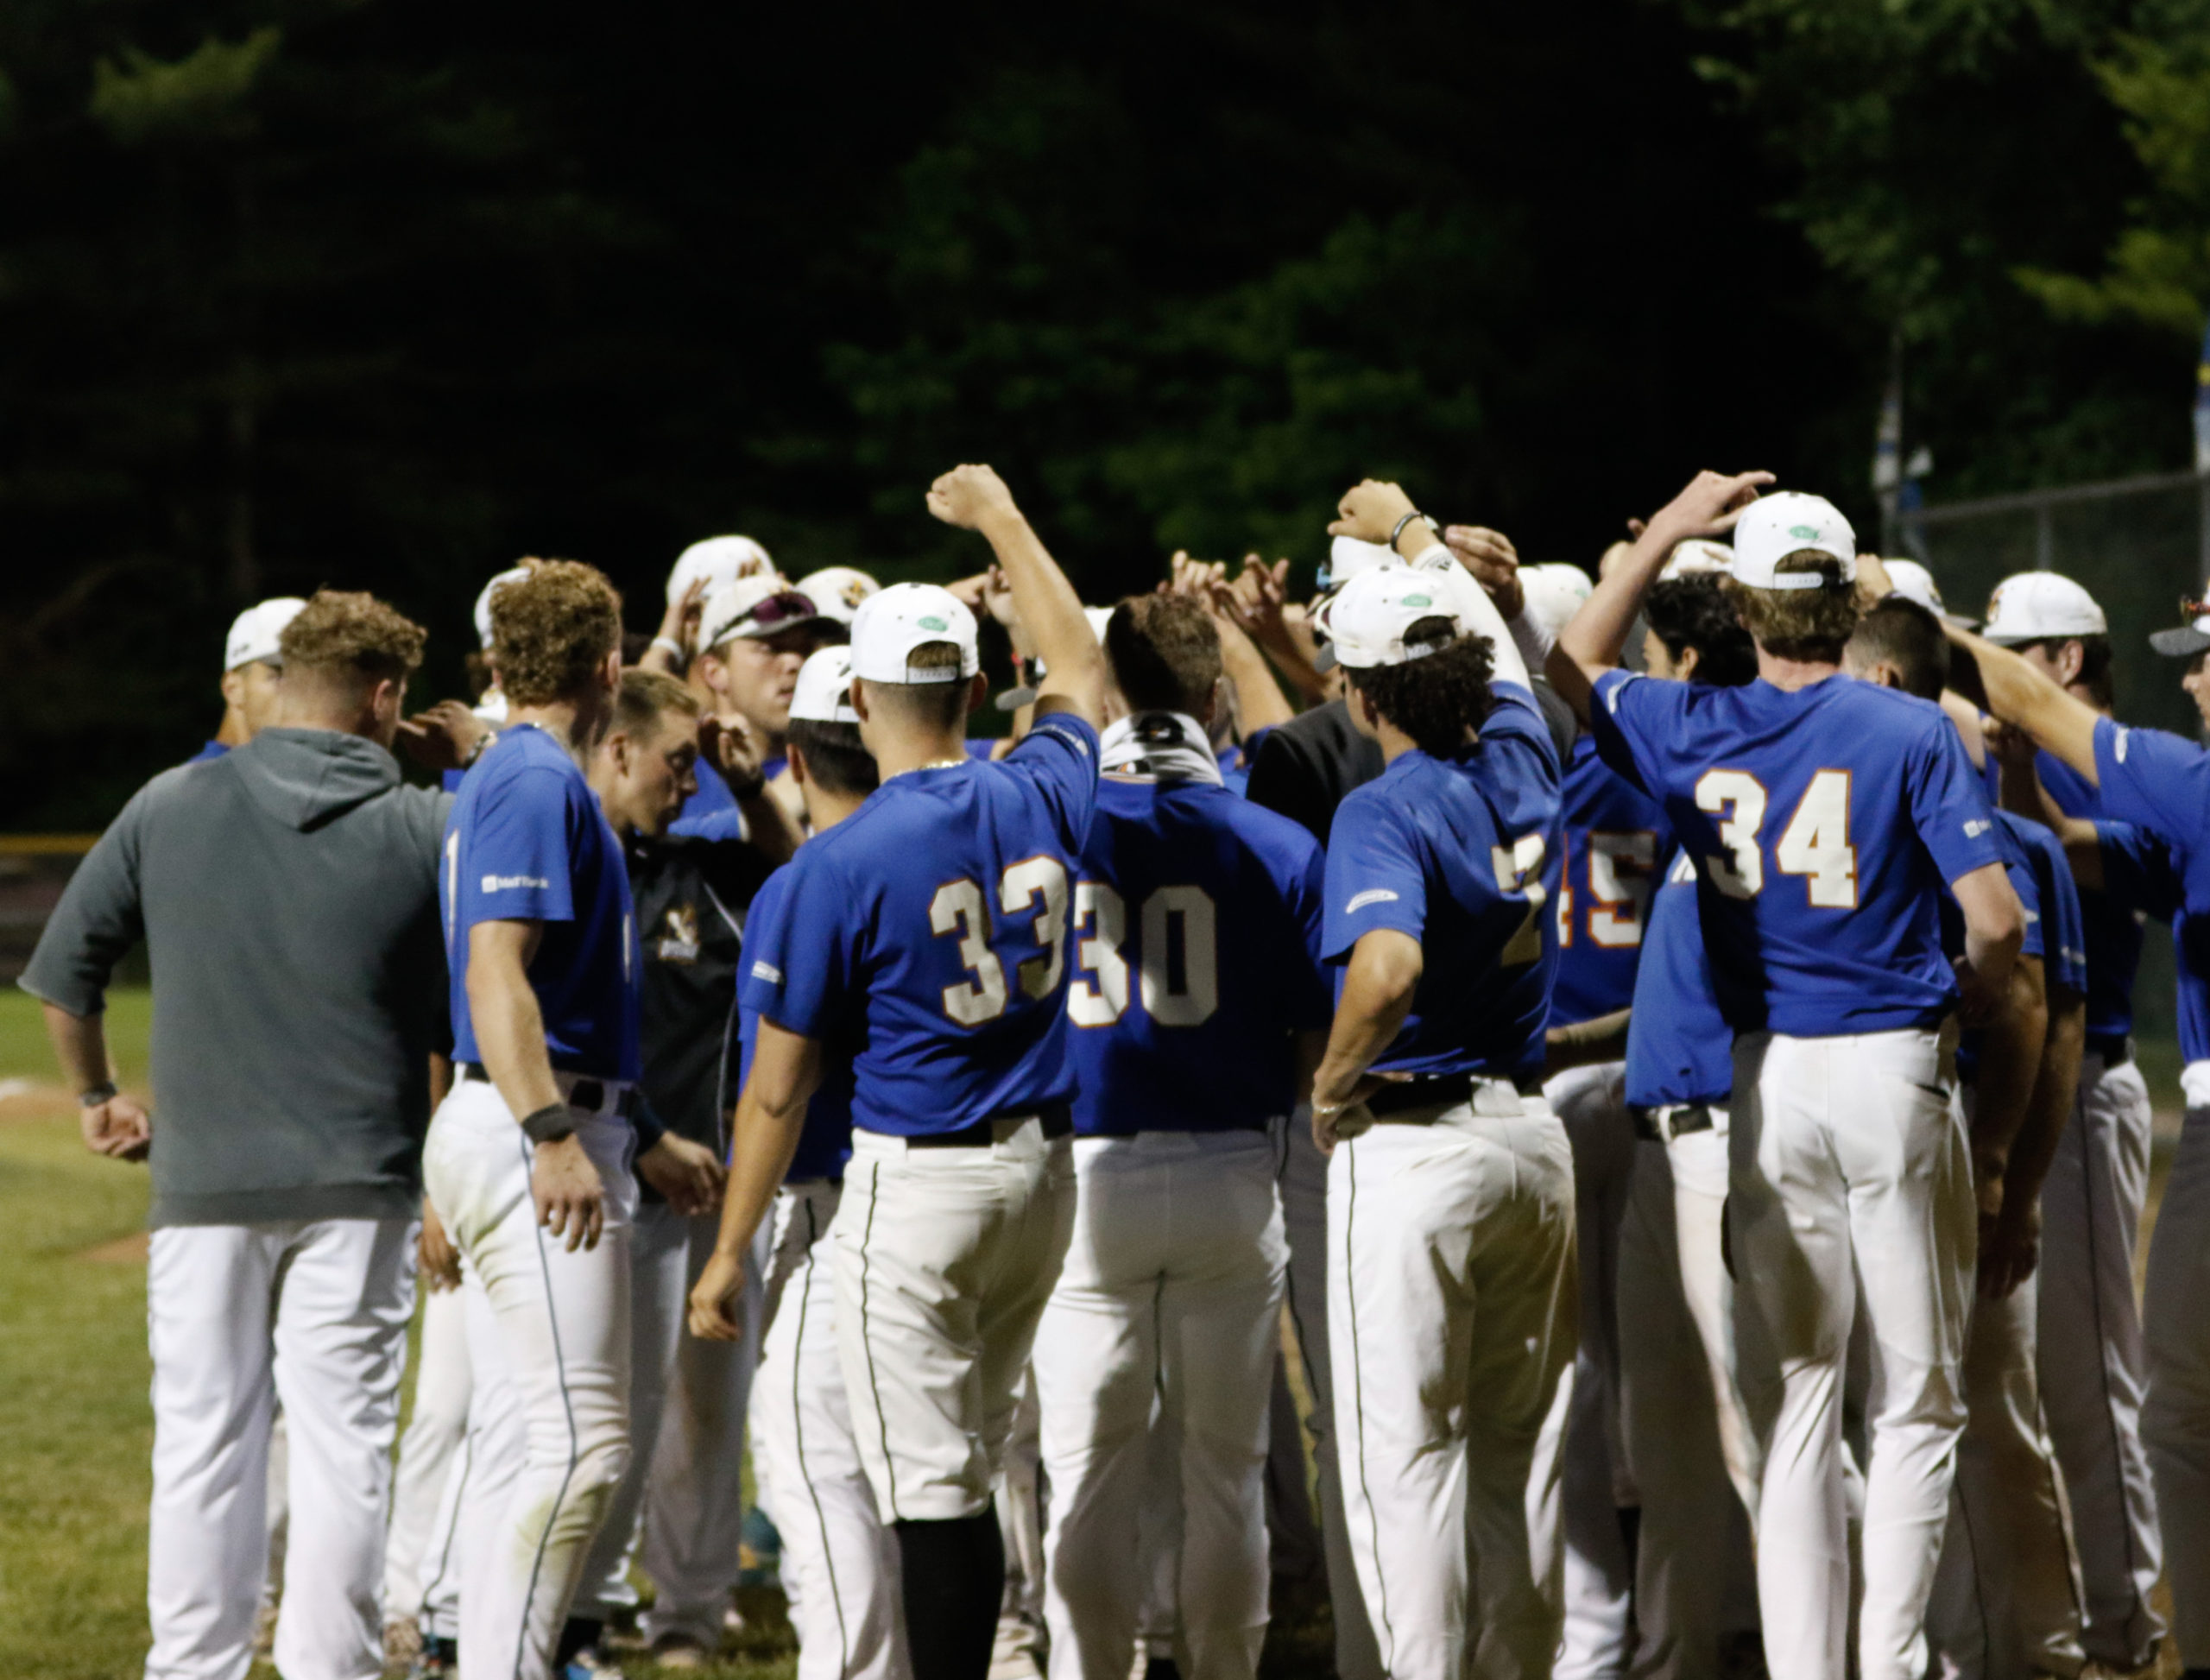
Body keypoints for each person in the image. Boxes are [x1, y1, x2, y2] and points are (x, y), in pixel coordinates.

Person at [1550, 475, 2024, 1680]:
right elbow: (1998, 922)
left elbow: (1571, 655)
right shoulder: (1910, 727)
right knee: (1914, 1399)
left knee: (1801, 1395)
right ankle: (1895, 1656)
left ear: (1750, 608)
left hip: (1766, 1080)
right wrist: (1953, 995)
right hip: (1887, 1067)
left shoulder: (1692, 722)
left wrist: (1663, 527)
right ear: (1848, 594)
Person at [689, 463, 1105, 1680]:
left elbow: (779, 1089)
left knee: (932, 1494)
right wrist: (1005, 519)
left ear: (860, 696)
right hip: (1043, 1178)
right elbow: (1077, 669)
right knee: (971, 1463)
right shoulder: (1040, 785)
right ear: (976, 687)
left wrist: (728, 1248)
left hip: (916, 1193)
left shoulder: (831, 865)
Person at [23, 589, 449, 1680]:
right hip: (364, 1178)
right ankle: (331, 1666)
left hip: (205, 1182)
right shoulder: (423, 822)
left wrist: (96, 1097)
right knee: (344, 1444)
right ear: (385, 695)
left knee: (205, 1442)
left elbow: (66, 979)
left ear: (277, 677)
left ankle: (192, 1667)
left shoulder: (170, 804)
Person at [1030, 592, 1329, 1680]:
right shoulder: (1278, 838)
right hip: (1229, 1162)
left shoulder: (1058, 821)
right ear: (1213, 698)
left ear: (1110, 697)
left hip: (1092, 1165)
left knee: (1088, 1468)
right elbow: (1311, 1034)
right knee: (1228, 1470)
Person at [1307, 480, 1575, 1680]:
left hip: (1417, 1144)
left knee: (1402, 1457)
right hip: (1532, 1137)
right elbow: (1489, 634)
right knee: (1520, 1450)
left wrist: (1329, 1081)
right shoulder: (1522, 751)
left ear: (1359, 694)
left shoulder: (1381, 804)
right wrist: (1416, 526)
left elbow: (1387, 962)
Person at [1943, 602, 2210, 1680]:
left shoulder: (2196, 778)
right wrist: (2014, 774)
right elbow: (2068, 845)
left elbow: (2047, 707)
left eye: (2207, 663)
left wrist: (1921, 625)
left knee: (2180, 1407)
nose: (2191, 684)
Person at [1843, 593, 2089, 1679]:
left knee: (1979, 1410)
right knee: (1933, 1409)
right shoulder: (1896, 788)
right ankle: (1977, 1646)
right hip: (1912, 1145)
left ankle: (2040, 1646)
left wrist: (2008, 1179)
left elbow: (2046, 1020)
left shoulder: (2002, 835)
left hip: (1960, 1151)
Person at [421, 559, 652, 1680]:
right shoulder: (532, 779)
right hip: (525, 1127)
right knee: (581, 1449)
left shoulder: (522, 770)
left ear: (501, 662)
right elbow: (493, 974)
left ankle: (479, 1654)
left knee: (529, 1441)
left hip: (529, 1117)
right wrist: (556, 1130)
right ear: (609, 663)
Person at [732, 643, 909, 1680]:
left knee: (806, 1460)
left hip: (835, 1203)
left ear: (796, 755)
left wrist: (724, 1256)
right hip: (969, 1185)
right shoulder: (955, 850)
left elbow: (776, 1092)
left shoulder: (813, 881)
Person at [1601, 568, 1765, 1677]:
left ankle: (1858, 1648)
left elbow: (1568, 665)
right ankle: (1677, 1654)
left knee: (1756, 1424)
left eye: (1660, 656)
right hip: (1668, 1137)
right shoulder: (1708, 774)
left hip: (1723, 1133)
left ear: (1690, 668)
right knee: (1668, 1435)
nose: (1645, 678)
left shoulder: (1730, 759)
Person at [560, 670, 737, 1670]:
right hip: (567, 1159)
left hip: (645, 1173)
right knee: (555, 1415)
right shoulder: (561, 853)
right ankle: (464, 1618)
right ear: (618, 748)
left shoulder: (665, 860)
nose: (690, 779)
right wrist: (654, 1133)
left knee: (627, 1415)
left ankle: (581, 1622)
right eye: (678, 760)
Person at [1534, 559, 1670, 1680]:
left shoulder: (1517, 776)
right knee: (1667, 1357)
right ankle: (1697, 1613)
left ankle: (1596, 1626)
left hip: (1573, 1092)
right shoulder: (1672, 762)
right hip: (1663, 1090)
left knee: (1588, 1369)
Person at [681, 573, 846, 833]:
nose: (795, 663)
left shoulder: (846, 766)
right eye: (772, 648)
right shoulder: (678, 769)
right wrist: (769, 807)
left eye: (806, 649)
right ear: (715, 672)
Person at [187, 596, 307, 761]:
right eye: (280, 676)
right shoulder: (195, 785)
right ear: (233, 689)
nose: (302, 694)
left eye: (311, 680)